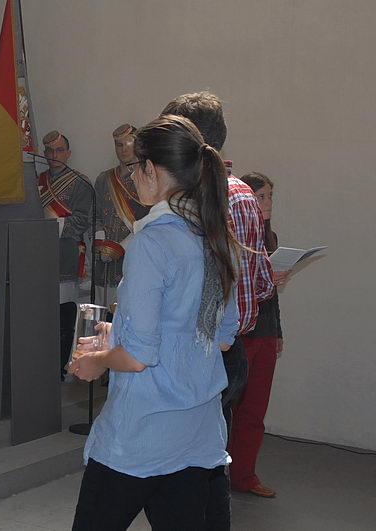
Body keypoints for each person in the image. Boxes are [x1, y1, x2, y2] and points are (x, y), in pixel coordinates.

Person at [69, 115, 240, 530]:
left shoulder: (151, 241)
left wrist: (97, 361)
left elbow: (139, 357)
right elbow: (218, 338)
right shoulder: (216, 235)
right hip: (196, 429)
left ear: (151, 169)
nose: (130, 177)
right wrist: (119, 333)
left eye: (134, 167)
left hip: (143, 428)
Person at [162, 91, 274, 530]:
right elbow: (261, 284)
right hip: (232, 348)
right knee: (211, 460)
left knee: (181, 465)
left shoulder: (187, 199)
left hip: (192, 351)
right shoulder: (245, 194)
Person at [229, 172, 289, 498]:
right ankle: (215, 476)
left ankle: (244, 476)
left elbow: (272, 295)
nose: (267, 203)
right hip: (239, 332)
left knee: (254, 409)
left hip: (264, 331)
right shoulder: (236, 233)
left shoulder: (270, 236)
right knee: (227, 406)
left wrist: (277, 331)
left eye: (270, 196)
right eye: (261, 196)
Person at [37, 130, 94, 378]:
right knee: (42, 314)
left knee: (64, 314)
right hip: (39, 255)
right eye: (49, 151)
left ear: (68, 153)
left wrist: (52, 224)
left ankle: (59, 368)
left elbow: (83, 220)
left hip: (67, 253)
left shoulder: (81, 183)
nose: (54, 155)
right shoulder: (36, 180)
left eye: (59, 150)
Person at [94, 124, 150, 309]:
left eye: (128, 144)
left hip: (133, 254)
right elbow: (95, 215)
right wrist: (100, 240)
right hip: (104, 258)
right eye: (119, 145)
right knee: (103, 309)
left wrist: (122, 246)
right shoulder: (104, 178)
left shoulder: (146, 179)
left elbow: (149, 219)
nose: (123, 149)